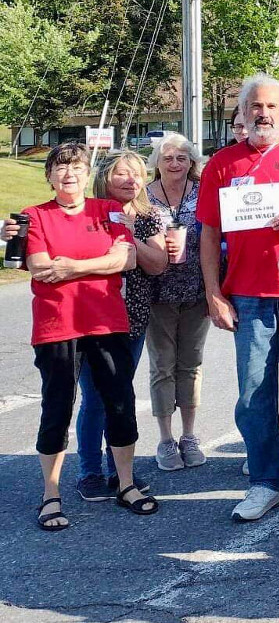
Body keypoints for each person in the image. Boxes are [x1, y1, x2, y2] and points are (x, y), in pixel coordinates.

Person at [197, 73, 279, 523]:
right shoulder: (221, 163)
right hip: (248, 298)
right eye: (255, 106)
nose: (263, 113)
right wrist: (214, 294)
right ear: (242, 112)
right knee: (253, 395)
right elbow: (208, 233)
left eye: (272, 106)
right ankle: (265, 483)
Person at [24, 143, 160, 530]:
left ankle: (127, 484)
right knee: (57, 407)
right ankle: (51, 495)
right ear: (49, 176)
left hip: (107, 322)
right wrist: (96, 266)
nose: (69, 174)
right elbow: (39, 267)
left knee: (120, 402)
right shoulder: (36, 216)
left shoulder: (107, 211)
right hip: (57, 325)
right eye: (60, 168)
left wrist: (71, 267)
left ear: (88, 175)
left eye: (77, 168)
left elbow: (127, 259)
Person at [145, 133, 210, 472]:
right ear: (157, 162)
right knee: (162, 365)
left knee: (191, 364)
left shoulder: (202, 193)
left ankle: (189, 435)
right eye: (168, 158)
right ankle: (165, 438)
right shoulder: (144, 197)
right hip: (156, 292)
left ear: (191, 162)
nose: (174, 164)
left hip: (197, 290)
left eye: (182, 158)